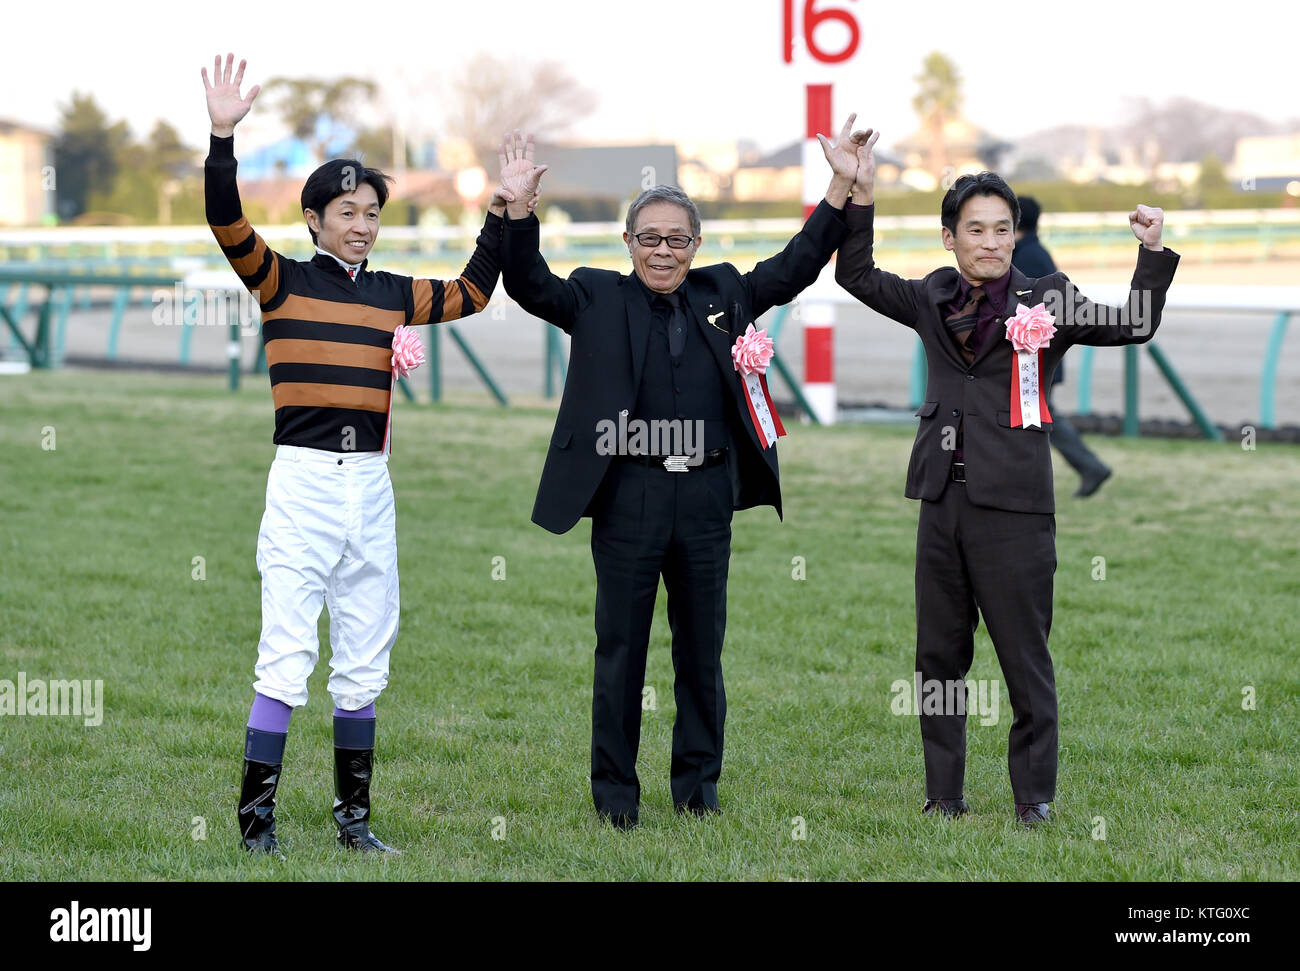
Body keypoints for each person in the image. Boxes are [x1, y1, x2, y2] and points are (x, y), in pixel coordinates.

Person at [494, 119, 863, 829]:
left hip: (705, 497)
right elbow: (529, 284)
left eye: (677, 239)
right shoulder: (595, 296)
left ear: (696, 245)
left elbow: (795, 263)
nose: (663, 250)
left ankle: (698, 790)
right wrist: (517, 213)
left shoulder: (724, 291)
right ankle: (615, 799)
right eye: (649, 238)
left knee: (702, 652)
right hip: (626, 496)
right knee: (620, 652)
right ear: (627, 244)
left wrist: (841, 187)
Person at [202, 53, 528, 856]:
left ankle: (354, 824)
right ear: (314, 220)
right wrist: (221, 137)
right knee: (285, 652)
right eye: (347, 211)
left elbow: (474, 292)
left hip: (370, 487)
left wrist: (502, 210)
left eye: (372, 213)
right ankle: (256, 828)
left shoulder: (393, 293)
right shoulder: (277, 279)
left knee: (365, 650)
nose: (361, 224)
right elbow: (224, 221)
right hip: (304, 482)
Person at [835, 130, 1180, 827]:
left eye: (1002, 229)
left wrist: (1150, 252)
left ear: (1015, 235)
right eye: (975, 229)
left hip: (1016, 506)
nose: (990, 242)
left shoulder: (1048, 298)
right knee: (937, 659)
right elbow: (856, 276)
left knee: (1025, 657)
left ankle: (1034, 799)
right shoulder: (930, 296)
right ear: (948, 236)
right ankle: (944, 794)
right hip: (940, 501)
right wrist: (860, 194)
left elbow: (1135, 324)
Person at [1013, 196, 1112, 497]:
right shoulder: (1036, 253)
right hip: (1041, 355)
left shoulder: (1026, 257)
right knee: (1034, 419)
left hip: (1034, 357)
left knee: (1034, 421)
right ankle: (1089, 467)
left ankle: (1089, 467)